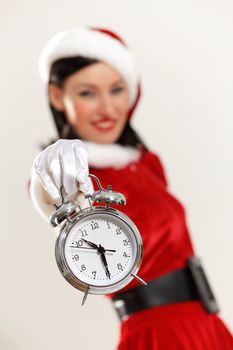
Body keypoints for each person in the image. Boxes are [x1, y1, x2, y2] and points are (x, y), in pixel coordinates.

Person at [29, 26, 233, 349]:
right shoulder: (71, 176)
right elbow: (54, 198)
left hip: (206, 325)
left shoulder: (147, 164)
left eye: (117, 89)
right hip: (159, 336)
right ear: (56, 96)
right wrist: (50, 177)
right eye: (87, 93)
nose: (108, 108)